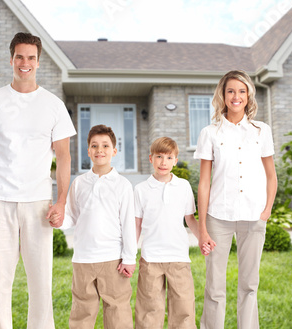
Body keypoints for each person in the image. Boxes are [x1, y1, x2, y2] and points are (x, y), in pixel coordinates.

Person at [0, 32, 76, 329]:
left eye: (31, 57)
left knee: (41, 283)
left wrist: (61, 201)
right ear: (11, 59)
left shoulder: (53, 105)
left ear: (39, 62)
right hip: (0, 201)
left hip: (38, 203)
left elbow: (64, 156)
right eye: (20, 57)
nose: (25, 63)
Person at [194, 70, 277, 329]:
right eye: (231, 91)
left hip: (254, 218)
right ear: (223, 95)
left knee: (249, 284)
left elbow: (271, 176)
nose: (236, 96)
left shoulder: (261, 131)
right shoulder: (210, 132)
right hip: (218, 217)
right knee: (215, 285)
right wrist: (203, 227)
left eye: (241, 91)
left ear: (249, 94)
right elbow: (204, 182)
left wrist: (266, 211)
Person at [52, 125, 136, 329]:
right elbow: (72, 217)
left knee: (118, 311)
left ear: (114, 151)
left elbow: (128, 224)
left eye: (105, 146)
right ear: (88, 151)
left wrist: (129, 258)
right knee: (82, 311)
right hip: (83, 259)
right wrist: (58, 220)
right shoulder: (79, 183)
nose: (100, 150)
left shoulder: (122, 185)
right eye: (94, 146)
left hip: (113, 260)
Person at [134, 137, 210, 329]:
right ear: (151, 158)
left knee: (183, 309)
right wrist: (128, 254)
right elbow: (136, 224)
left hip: (179, 258)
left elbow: (190, 219)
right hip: (150, 259)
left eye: (169, 157)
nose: (163, 162)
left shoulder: (183, 186)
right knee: (149, 311)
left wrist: (203, 238)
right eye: (159, 156)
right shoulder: (140, 190)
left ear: (175, 160)